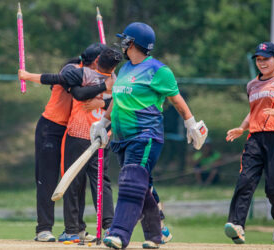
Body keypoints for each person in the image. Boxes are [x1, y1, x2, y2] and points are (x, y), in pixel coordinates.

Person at [90, 22, 208, 249]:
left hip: (146, 136)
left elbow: (176, 99)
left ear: (132, 43)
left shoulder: (158, 70)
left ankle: (119, 233)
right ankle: (155, 235)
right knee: (141, 187)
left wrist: (191, 124)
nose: (122, 44)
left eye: (125, 40)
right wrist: (102, 123)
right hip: (121, 139)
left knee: (130, 181)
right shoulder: (124, 70)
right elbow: (117, 100)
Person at [18, 43, 115, 242]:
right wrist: (27, 76)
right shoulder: (75, 71)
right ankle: (43, 228)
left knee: (76, 179)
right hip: (53, 127)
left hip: (74, 129)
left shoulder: (95, 75)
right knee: (48, 177)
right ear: (96, 60)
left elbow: (113, 98)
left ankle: (77, 228)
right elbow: (67, 86)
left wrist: (103, 100)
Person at [224, 42, 274, 244]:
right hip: (255, 138)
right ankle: (237, 225)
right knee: (245, 180)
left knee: (273, 189)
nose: (262, 63)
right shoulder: (251, 85)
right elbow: (253, 112)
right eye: (259, 59)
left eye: (266, 59)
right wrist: (242, 128)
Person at [60, 47, 122, 242]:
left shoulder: (91, 75)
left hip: (82, 132)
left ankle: (75, 229)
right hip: (100, 134)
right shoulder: (114, 79)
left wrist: (102, 103)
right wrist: (105, 95)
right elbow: (79, 93)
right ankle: (104, 226)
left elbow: (79, 92)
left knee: (85, 182)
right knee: (97, 182)